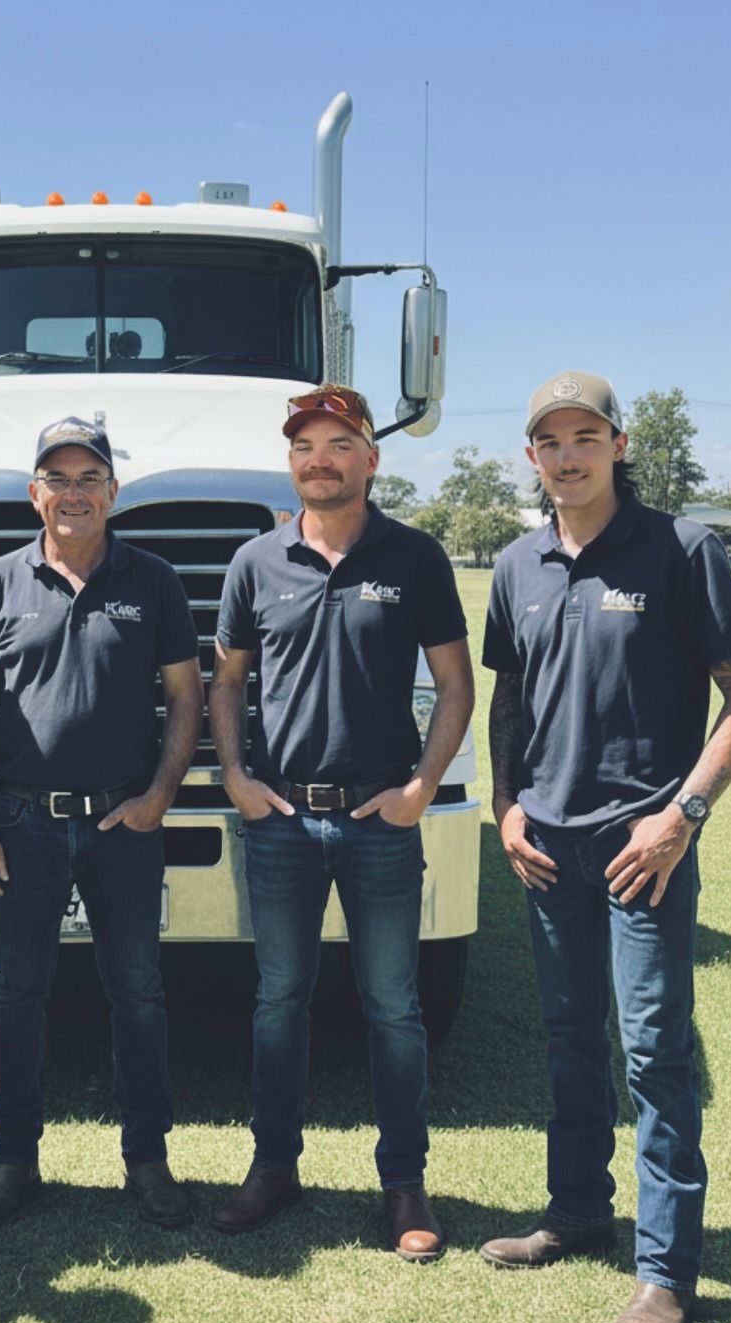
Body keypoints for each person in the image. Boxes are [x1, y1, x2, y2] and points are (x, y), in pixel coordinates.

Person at [480, 371, 731, 1323]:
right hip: (546, 847)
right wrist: (505, 804)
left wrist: (680, 816)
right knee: (568, 1036)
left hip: (642, 849)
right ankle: (575, 1211)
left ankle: (666, 1273)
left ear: (617, 443)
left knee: (653, 1055)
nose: (566, 455)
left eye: (583, 437)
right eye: (548, 441)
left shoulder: (681, 549)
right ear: (532, 456)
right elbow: (508, 699)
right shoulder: (517, 563)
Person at [209, 385, 474, 1258]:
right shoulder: (256, 562)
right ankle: (273, 1168)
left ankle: (404, 1186)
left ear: (370, 458)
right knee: (277, 1000)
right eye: (305, 446)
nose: (319, 459)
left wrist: (423, 788)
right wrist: (238, 777)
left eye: (338, 444)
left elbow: (457, 686)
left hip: (379, 820)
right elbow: (226, 682)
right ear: (292, 463)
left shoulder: (417, 558)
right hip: (281, 820)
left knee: (394, 1008)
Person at [0, 416, 204, 1228]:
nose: (72, 493)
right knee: (17, 996)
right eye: (56, 480)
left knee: (137, 993)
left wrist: (161, 795)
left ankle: (147, 1160)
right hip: (21, 822)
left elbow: (187, 695)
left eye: (88, 479)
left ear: (113, 493)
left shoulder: (153, 580)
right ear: (34, 495)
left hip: (122, 826)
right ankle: (13, 1160)